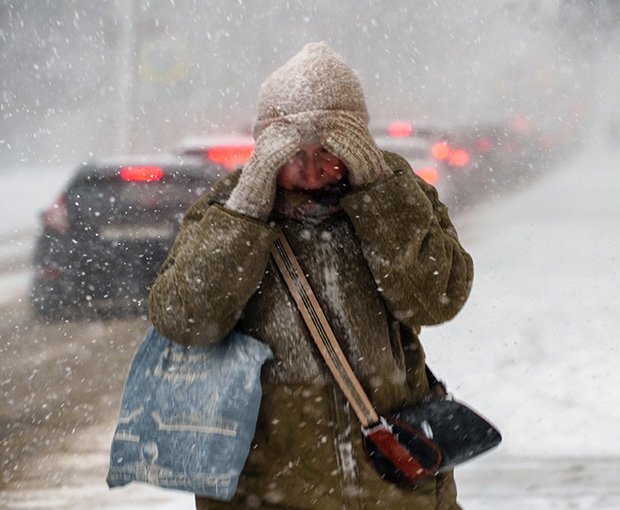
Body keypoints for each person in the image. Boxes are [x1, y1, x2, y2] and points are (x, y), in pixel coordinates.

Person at [148, 42, 474, 510]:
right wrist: (247, 214)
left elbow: (437, 299)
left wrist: (379, 195)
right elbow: (186, 320)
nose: (311, 171)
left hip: (395, 480)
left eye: (328, 151)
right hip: (269, 485)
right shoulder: (228, 209)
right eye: (292, 154)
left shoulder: (397, 196)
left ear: (356, 143)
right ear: (266, 149)